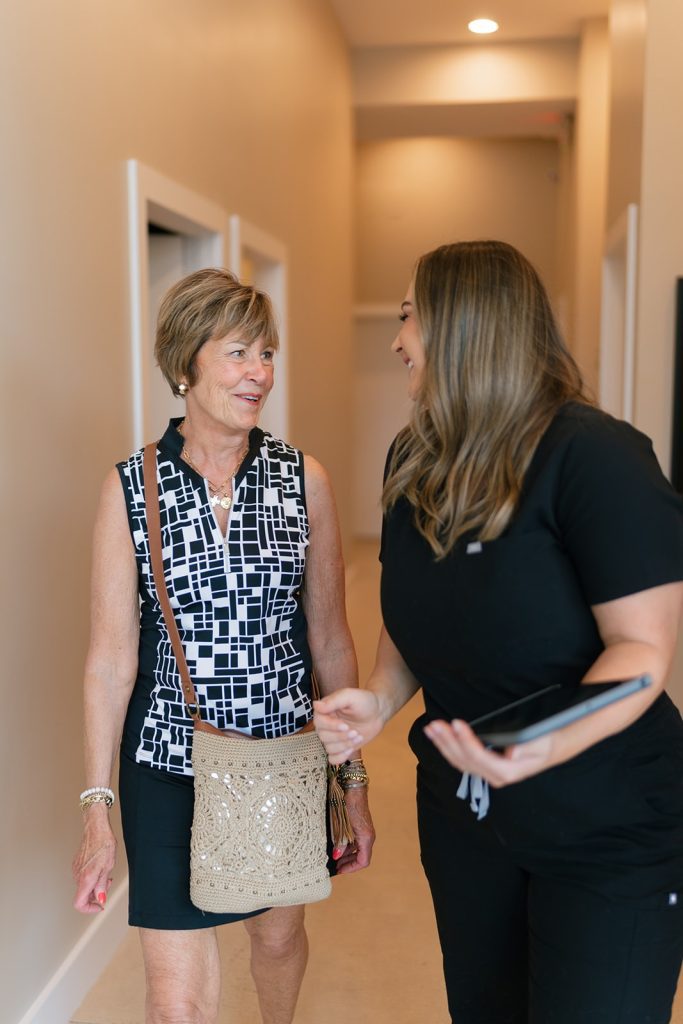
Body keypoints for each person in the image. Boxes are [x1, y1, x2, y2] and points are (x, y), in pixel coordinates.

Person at [314, 240, 683, 1023]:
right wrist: (379, 700)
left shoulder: (595, 457)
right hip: (468, 818)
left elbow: (642, 652)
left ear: (465, 325)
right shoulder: (413, 457)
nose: (396, 340)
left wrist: (537, 744)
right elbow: (418, 619)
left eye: (408, 315)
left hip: (604, 818)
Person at [72, 268, 374, 1024]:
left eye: (267, 354)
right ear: (186, 365)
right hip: (166, 764)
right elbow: (110, 662)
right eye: (238, 353)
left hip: (278, 758)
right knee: (176, 1004)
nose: (260, 373)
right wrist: (97, 806)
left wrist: (353, 780)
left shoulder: (303, 480)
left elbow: (330, 640)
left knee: (276, 938)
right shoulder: (132, 487)